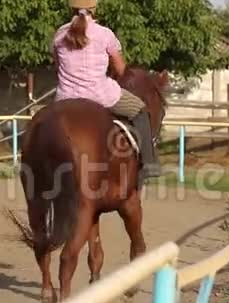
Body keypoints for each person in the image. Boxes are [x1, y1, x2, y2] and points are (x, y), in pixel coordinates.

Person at [51, 0, 161, 178]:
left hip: (65, 98)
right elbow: (120, 69)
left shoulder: (59, 34)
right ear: (94, 8)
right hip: (100, 95)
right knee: (140, 109)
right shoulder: (104, 34)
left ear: (70, 7)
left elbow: (58, 66)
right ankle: (149, 163)